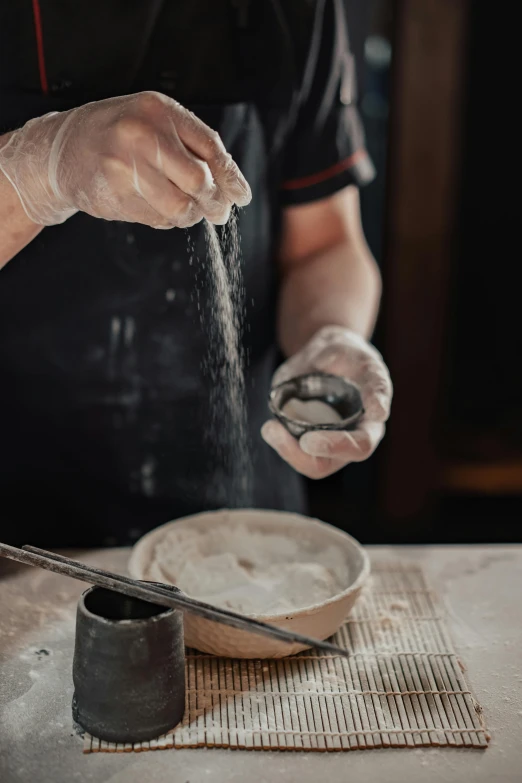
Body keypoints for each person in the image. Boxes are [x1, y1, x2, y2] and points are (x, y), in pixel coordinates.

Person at [0, 0, 392, 547]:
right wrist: (38, 171)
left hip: (237, 507)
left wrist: (332, 333)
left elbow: (325, 243)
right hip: (18, 527)